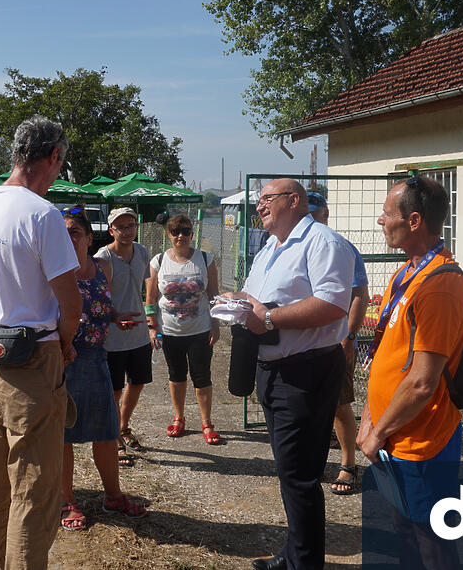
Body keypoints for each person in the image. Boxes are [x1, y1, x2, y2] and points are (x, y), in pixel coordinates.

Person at [0, 115, 82, 570]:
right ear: (53, 156)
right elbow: (69, 305)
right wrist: (66, 345)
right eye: (60, 163)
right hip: (34, 362)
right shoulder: (42, 213)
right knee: (35, 490)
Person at [228, 178, 354, 570]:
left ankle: (303, 564)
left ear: (294, 200)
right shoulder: (271, 247)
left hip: (305, 370)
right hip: (275, 369)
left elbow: (333, 304)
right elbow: (254, 298)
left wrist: (267, 316)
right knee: (291, 472)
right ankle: (294, 556)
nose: (259, 206)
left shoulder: (323, 242)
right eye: (260, 200)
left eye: (267, 199)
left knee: (299, 476)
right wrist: (235, 304)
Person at [356, 176, 463, 570]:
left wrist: (377, 430)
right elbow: (386, 354)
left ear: (415, 220)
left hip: (423, 441)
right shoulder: (408, 273)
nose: (380, 221)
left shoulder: (439, 285)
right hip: (397, 434)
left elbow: (423, 381)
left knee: (432, 541)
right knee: (405, 532)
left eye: (388, 214)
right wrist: (370, 419)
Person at [59, 210, 148, 531]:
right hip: (63, 362)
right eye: (64, 232)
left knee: (108, 432)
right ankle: (67, 500)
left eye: (74, 232)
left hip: (98, 358)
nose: (69, 238)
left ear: (87, 237)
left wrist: (115, 317)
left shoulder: (101, 268)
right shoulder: (53, 271)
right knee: (64, 436)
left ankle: (113, 496)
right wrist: (61, 344)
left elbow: (103, 305)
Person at [308, 192, 370, 495]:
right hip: (304, 341)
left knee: (339, 404)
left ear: (326, 213)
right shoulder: (296, 246)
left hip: (335, 339)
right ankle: (313, 459)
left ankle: (348, 464)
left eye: (314, 212)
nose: (309, 217)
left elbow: (360, 295)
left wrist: (349, 335)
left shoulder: (340, 247)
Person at [144, 213, 222, 445]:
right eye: (176, 232)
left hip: (200, 330)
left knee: (202, 376)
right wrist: (152, 328)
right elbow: (150, 299)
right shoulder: (158, 261)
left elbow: (214, 296)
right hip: (170, 331)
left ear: (192, 233)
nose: (181, 236)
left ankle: (206, 422)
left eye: (186, 231)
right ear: (168, 235)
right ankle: (179, 417)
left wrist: (215, 325)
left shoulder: (205, 259)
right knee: (176, 376)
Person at [93, 207, 153, 465]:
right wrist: (116, 316)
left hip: (138, 332)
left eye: (132, 225)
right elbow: (99, 297)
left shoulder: (142, 252)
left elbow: (148, 288)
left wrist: (151, 321)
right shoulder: (103, 257)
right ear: (111, 231)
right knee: (114, 390)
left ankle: (123, 426)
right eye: (122, 227)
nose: (128, 231)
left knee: (137, 383)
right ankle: (114, 436)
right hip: (113, 336)